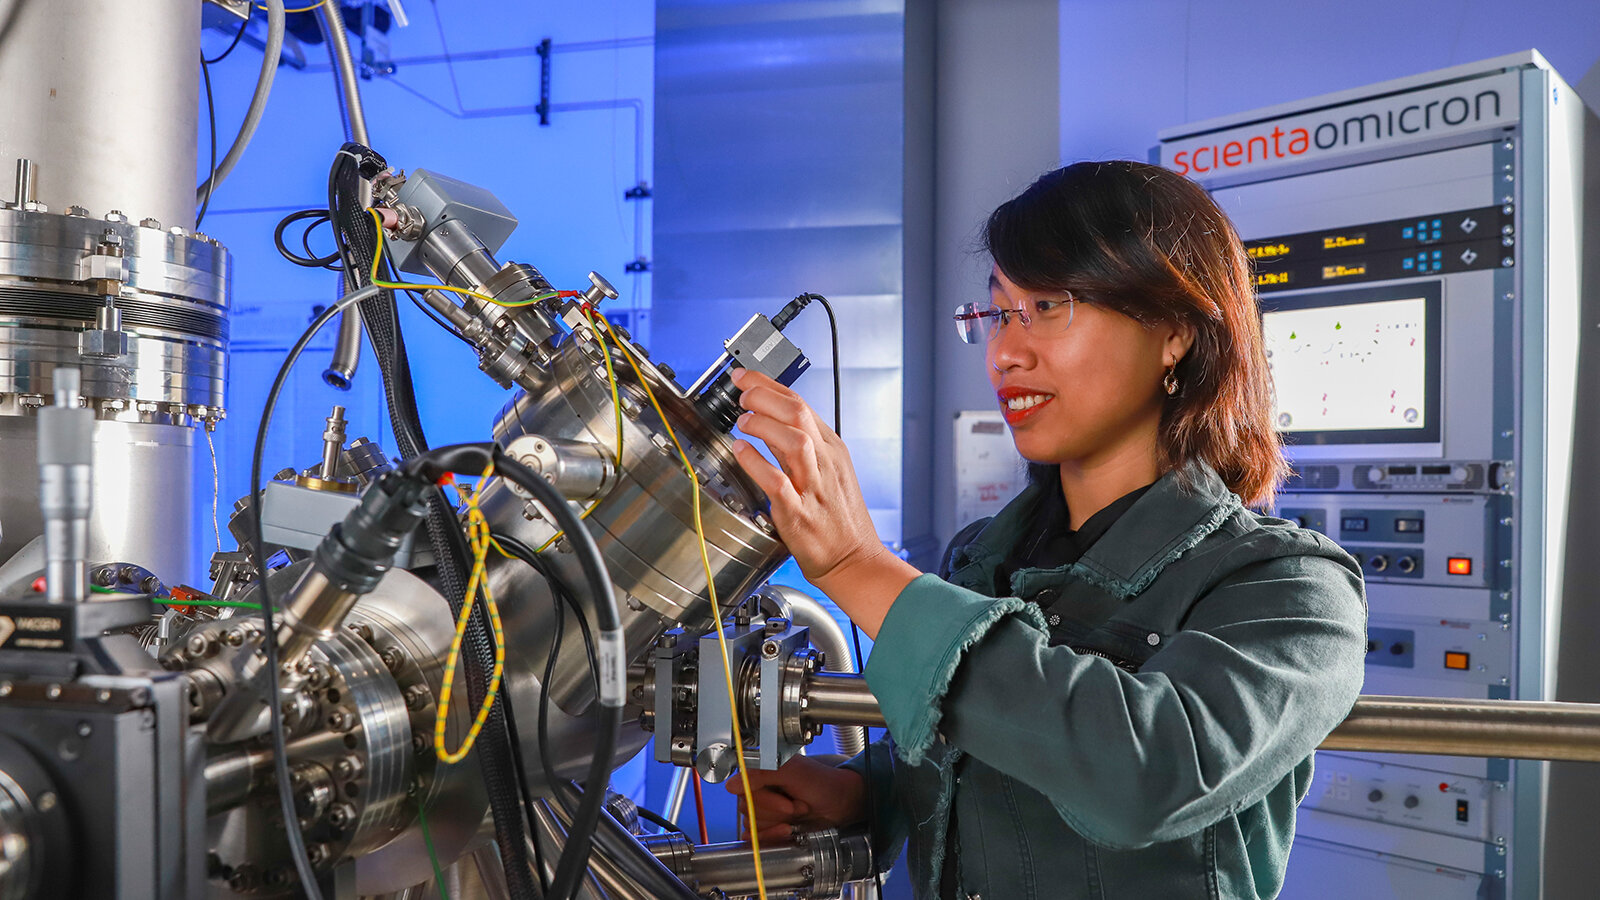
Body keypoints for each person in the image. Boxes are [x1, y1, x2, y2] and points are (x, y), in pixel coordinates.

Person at [724, 159, 1368, 899]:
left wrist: (857, 566)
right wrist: (865, 798)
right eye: (997, 313)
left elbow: (1147, 776)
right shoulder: (983, 554)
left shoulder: (1287, 587)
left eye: (1050, 306)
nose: (1005, 352)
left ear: (1173, 332)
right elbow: (984, 755)